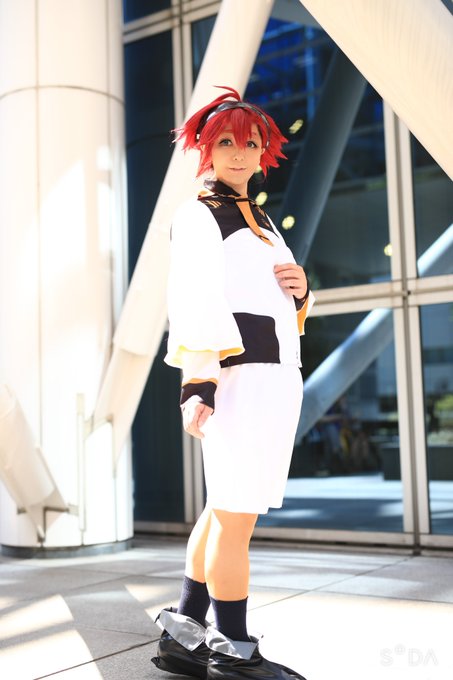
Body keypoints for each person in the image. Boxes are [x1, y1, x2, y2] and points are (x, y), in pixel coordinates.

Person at [151, 86, 314, 680]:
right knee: (236, 517)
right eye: (226, 142)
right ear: (207, 149)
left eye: (250, 143)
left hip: (274, 379)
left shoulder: (264, 220)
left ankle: (184, 633)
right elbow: (194, 299)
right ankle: (234, 650)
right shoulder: (198, 215)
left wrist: (302, 291)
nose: (239, 154)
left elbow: (272, 302)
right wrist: (199, 383)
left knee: (223, 510)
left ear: (264, 151)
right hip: (237, 378)